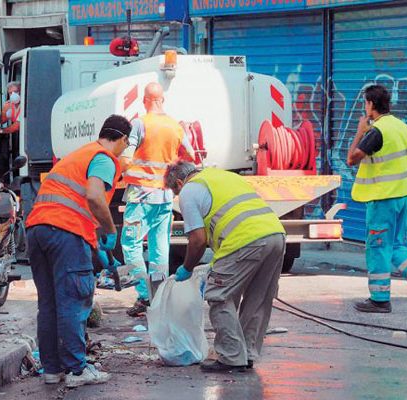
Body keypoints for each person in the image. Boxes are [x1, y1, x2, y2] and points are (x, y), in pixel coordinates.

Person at [25, 115, 131, 387]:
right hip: (65, 234)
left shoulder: (77, 155)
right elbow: (94, 196)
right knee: (73, 300)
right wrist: (110, 231)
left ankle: (52, 370)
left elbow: (72, 204)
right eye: (126, 144)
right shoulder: (104, 158)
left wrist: (95, 243)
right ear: (122, 140)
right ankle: (77, 370)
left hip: (37, 230)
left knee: (48, 304)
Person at [164, 161, 286, 373]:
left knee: (219, 295)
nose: (178, 197)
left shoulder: (189, 191)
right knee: (258, 299)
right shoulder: (224, 176)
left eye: (175, 191)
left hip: (244, 240)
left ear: (179, 182)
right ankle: (246, 354)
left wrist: (187, 267)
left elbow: (197, 239)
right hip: (276, 234)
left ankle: (231, 356)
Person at [347, 84, 407, 313]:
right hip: (403, 195)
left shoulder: (377, 131)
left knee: (377, 246)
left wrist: (360, 130)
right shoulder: (401, 127)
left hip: (384, 198)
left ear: (370, 105)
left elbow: (351, 158)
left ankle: (379, 299)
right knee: (395, 244)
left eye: (365, 104)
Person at [121, 82, 194, 317]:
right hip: (164, 197)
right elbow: (191, 156)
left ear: (145, 100)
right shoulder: (175, 126)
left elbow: (126, 155)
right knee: (159, 245)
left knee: (130, 244)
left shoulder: (140, 124)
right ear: (162, 100)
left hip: (140, 195)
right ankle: (160, 294)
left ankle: (144, 295)